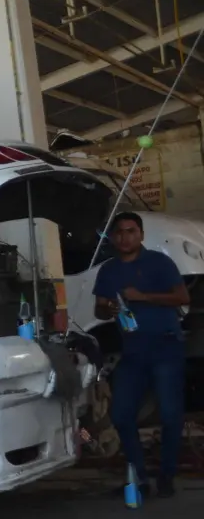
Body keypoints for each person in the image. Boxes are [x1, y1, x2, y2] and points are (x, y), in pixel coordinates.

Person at [93, 211, 189, 499]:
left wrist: (144, 297)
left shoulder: (160, 263)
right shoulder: (108, 270)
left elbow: (183, 298)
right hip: (132, 351)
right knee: (121, 415)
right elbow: (99, 308)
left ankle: (167, 477)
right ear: (112, 238)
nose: (125, 237)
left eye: (131, 231)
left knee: (171, 416)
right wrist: (107, 309)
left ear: (141, 235)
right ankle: (140, 479)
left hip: (165, 347)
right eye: (120, 232)